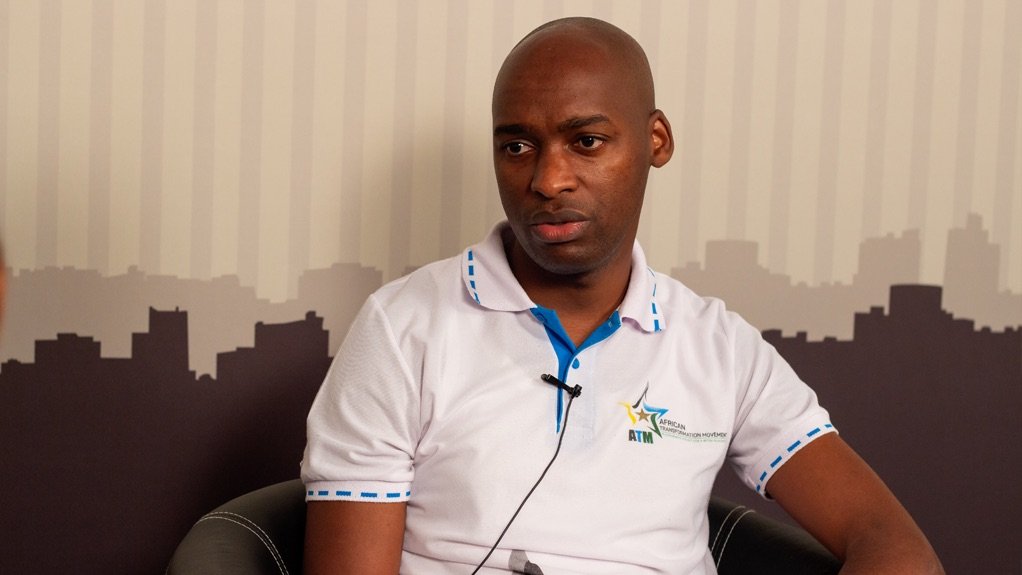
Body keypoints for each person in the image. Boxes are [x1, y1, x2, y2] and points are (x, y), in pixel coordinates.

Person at [301, 17, 943, 574]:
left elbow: (894, 545)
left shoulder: (721, 349)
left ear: (655, 141)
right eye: (518, 146)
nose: (549, 180)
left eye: (586, 141)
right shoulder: (401, 328)